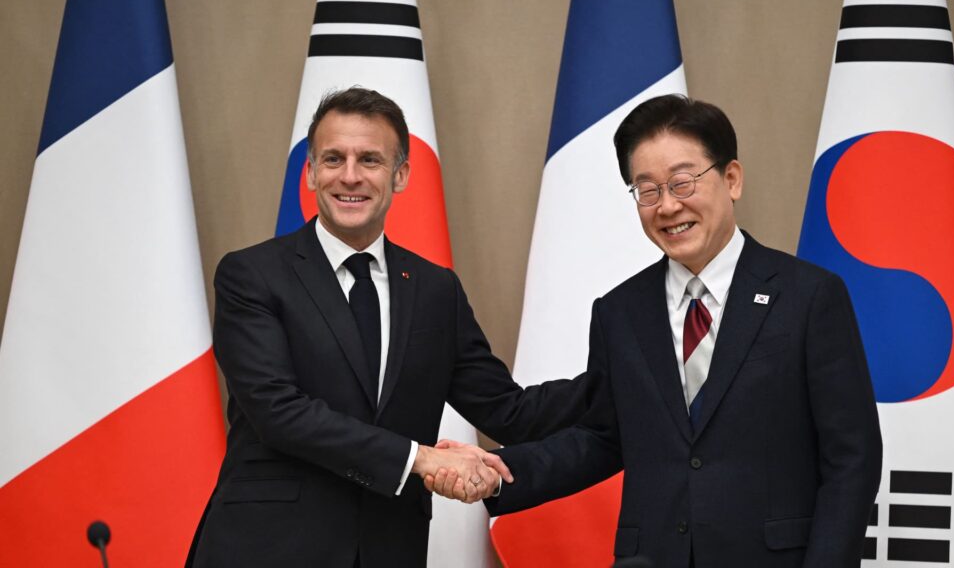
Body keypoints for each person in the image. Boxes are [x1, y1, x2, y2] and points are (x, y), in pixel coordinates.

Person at [428, 95, 882, 567]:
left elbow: (853, 457)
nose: (667, 206)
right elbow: (603, 438)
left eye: (682, 183)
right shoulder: (620, 312)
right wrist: (500, 473)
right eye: (647, 190)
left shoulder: (808, 296)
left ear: (731, 179)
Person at [186, 87, 591, 567]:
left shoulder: (436, 290)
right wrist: (421, 459)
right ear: (310, 172)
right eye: (333, 159)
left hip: (390, 549)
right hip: (268, 549)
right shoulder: (252, 275)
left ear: (400, 175)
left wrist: (625, 376)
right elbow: (278, 412)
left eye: (370, 160)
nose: (350, 176)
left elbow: (510, 411)